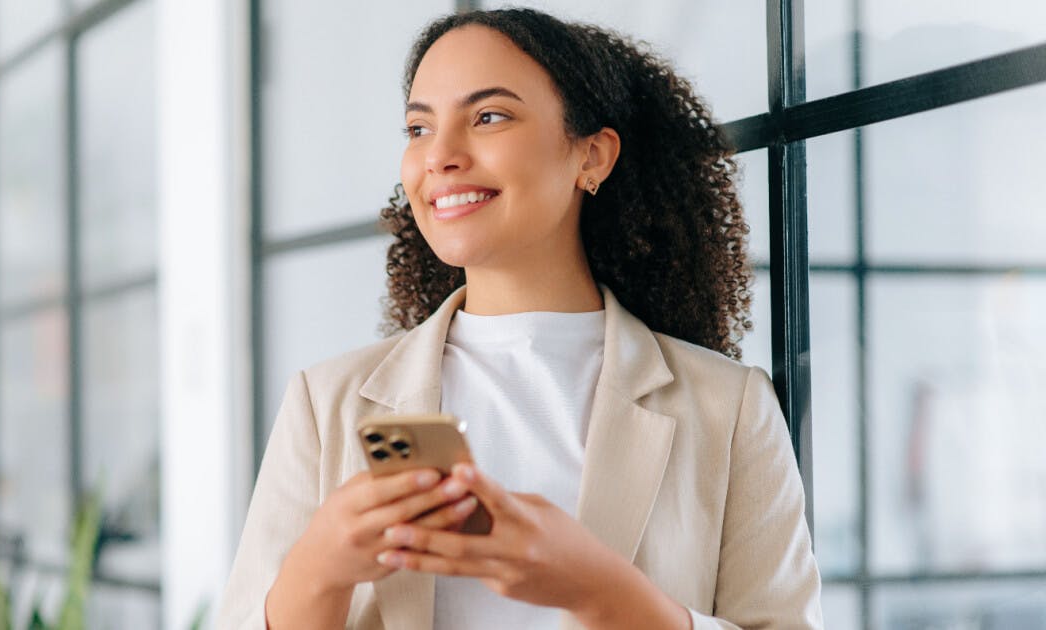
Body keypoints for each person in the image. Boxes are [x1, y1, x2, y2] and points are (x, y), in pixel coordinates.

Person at [217, 7, 823, 630]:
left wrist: (605, 593)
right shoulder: (328, 405)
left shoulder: (729, 408)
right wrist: (319, 571)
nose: (440, 156)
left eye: (488, 116)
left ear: (592, 156)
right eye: (418, 128)